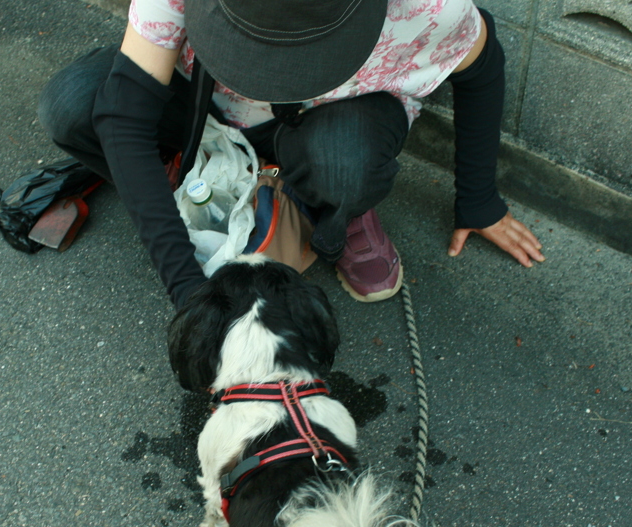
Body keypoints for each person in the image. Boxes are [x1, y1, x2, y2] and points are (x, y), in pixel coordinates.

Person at [38, 0, 545, 309]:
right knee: (73, 105)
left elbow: (481, 65)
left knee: (344, 165)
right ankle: (193, 168)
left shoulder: (430, 6)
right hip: (205, 105)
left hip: (330, 122)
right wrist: (191, 294)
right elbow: (124, 115)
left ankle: (337, 209)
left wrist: (480, 200)